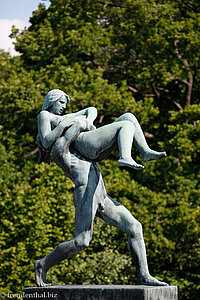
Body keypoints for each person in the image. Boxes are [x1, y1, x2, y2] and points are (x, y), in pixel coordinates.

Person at [35, 89, 168, 287]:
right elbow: (59, 133)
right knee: (82, 241)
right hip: (85, 191)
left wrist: (84, 118)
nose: (64, 107)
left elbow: (86, 115)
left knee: (134, 227)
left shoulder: (75, 148)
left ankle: (144, 275)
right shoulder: (58, 149)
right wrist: (77, 122)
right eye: (60, 102)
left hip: (99, 191)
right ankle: (42, 265)